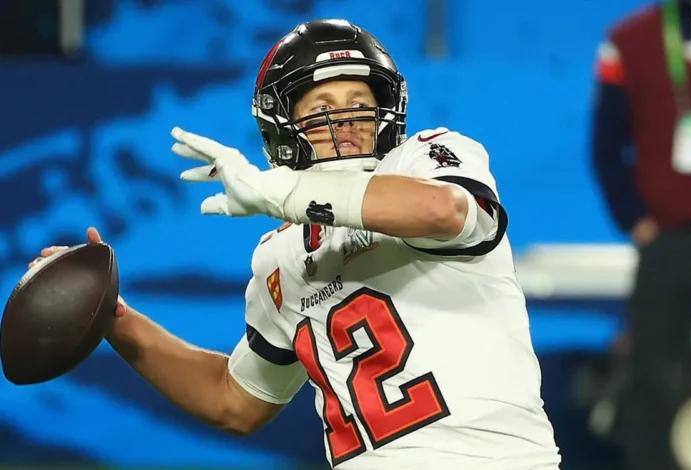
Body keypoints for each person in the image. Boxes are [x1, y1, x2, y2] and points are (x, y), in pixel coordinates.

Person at [32, 19, 560, 470]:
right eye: (321, 104)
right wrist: (115, 319)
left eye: (359, 101)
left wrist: (276, 191)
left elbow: (442, 212)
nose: (346, 118)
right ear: (282, 124)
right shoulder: (279, 257)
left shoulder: (427, 158)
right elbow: (233, 401)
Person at [592, 1, 691, 469]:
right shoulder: (630, 39)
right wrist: (635, 220)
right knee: (652, 377)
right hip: (668, 242)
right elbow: (605, 144)